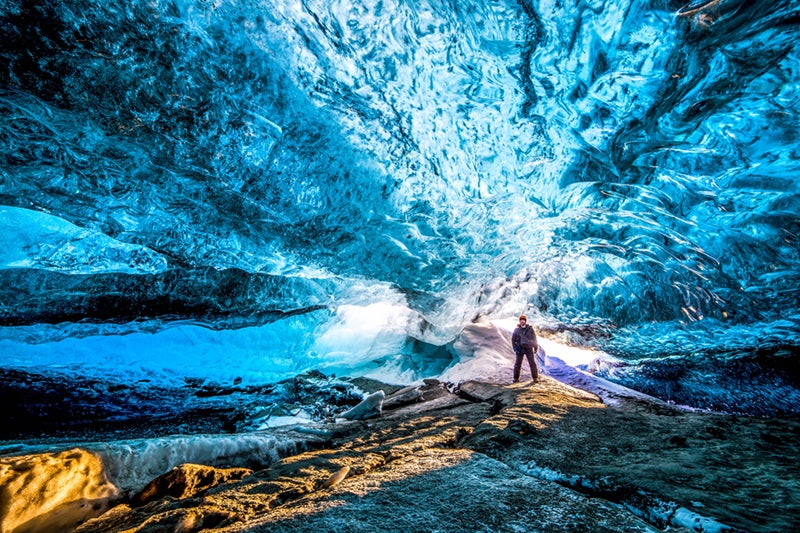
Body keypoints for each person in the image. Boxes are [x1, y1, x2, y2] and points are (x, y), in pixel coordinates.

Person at [511, 315, 539, 383]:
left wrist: (535, 347)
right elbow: (513, 339)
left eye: (523, 320)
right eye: (521, 320)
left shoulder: (530, 329)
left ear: (525, 321)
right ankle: (515, 378)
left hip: (529, 348)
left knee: (532, 363)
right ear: (519, 321)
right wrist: (514, 348)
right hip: (519, 349)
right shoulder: (516, 330)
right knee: (518, 364)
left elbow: (534, 338)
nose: (522, 321)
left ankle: (535, 378)